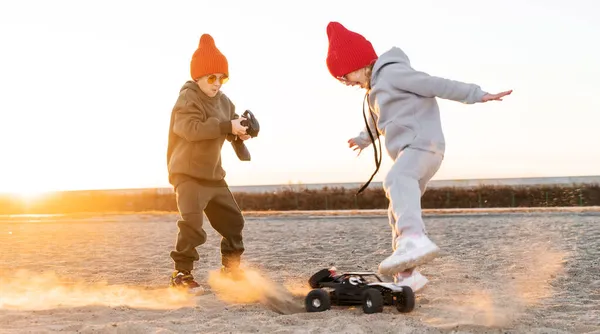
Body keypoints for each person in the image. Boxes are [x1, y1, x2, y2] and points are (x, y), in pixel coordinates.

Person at [325, 22, 512, 291]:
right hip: (414, 152)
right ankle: (408, 275)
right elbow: (378, 119)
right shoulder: (374, 91)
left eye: (346, 75)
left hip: (423, 145)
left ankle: (415, 239)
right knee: (397, 209)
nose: (346, 82)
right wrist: (364, 139)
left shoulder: (393, 74)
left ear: (358, 63)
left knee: (395, 180)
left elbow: (434, 84)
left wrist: (477, 95)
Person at [166, 33, 251, 289]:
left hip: (213, 174)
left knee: (234, 222)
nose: (217, 83)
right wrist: (227, 125)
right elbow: (191, 129)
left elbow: (231, 126)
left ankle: (231, 270)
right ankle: (181, 275)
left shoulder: (225, 101)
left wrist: (244, 131)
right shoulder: (187, 99)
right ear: (198, 77)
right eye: (211, 78)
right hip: (187, 174)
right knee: (192, 224)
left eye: (221, 78)